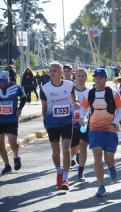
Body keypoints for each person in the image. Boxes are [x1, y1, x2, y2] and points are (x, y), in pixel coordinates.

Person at [40, 62, 80, 190]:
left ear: (61, 72)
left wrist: (77, 103)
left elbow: (75, 99)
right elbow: (44, 107)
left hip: (67, 122)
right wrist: (45, 121)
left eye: (55, 71)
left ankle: (66, 178)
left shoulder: (69, 85)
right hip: (52, 123)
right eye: (50, 71)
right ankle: (59, 171)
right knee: (56, 152)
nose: (52, 73)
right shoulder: (45, 88)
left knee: (66, 148)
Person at [86, 68, 121, 196]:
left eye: (101, 77)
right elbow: (84, 109)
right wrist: (81, 119)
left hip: (110, 129)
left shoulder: (114, 93)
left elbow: (120, 110)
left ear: (105, 79)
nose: (98, 80)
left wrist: (115, 123)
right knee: (97, 156)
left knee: (109, 157)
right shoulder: (90, 93)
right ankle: (101, 186)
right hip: (94, 129)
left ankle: (112, 166)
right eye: (96, 77)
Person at [0, 70, 26, 175]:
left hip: (12, 119)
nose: (2, 83)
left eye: (4, 81)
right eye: (0, 81)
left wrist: (20, 108)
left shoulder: (16, 87)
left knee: (12, 142)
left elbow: (23, 97)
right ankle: (7, 165)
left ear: (8, 79)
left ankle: (16, 156)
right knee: (0, 145)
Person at [70, 69, 90, 181]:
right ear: (75, 77)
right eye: (79, 76)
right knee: (72, 148)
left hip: (84, 121)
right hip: (72, 122)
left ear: (86, 78)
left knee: (83, 145)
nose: (81, 78)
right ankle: (66, 170)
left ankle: (81, 171)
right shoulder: (70, 91)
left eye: (83, 76)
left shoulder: (90, 91)